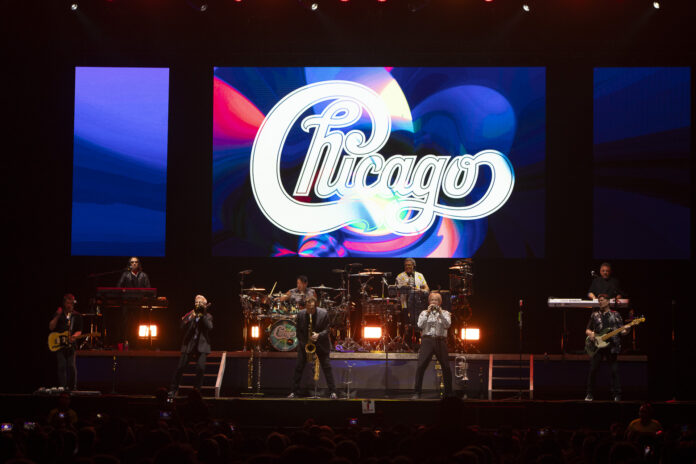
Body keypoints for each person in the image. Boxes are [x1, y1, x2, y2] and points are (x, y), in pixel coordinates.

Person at [288, 296, 337, 399]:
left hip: (321, 344)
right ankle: (293, 392)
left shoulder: (323, 313)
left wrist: (318, 335)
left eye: (312, 308)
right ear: (305, 306)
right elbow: (298, 332)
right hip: (306, 344)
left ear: (316, 306)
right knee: (298, 367)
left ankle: (333, 392)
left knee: (327, 368)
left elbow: (327, 330)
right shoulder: (301, 314)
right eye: (308, 308)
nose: (310, 310)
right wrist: (305, 342)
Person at [585, 294, 628, 402]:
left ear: (608, 301)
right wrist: (591, 334)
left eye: (602, 300)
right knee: (593, 370)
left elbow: (622, 331)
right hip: (598, 346)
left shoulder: (616, 315)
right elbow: (587, 329)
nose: (600, 302)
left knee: (614, 370)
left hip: (612, 346)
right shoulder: (595, 315)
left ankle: (617, 394)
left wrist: (627, 330)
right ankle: (589, 393)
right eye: (599, 301)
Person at [169, 295, 213, 397]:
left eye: (200, 303)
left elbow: (209, 327)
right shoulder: (190, 314)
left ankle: (196, 392)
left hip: (201, 346)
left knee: (200, 369)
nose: (198, 304)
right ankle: (172, 390)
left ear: (204, 305)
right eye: (196, 303)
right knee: (180, 368)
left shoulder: (208, 316)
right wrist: (191, 317)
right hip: (188, 345)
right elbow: (181, 325)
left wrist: (202, 316)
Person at [412, 292, 452, 399]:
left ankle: (449, 393)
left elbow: (447, 325)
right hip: (427, 340)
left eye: (436, 300)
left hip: (440, 340)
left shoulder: (445, 313)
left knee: (446, 367)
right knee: (421, 366)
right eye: (432, 300)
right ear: (429, 302)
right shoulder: (424, 312)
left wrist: (440, 313)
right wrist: (428, 313)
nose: (434, 302)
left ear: (440, 302)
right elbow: (420, 325)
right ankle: (417, 392)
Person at [112, 257, 151, 349]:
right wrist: (123, 291)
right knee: (125, 323)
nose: (134, 264)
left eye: (136, 262)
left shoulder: (143, 275)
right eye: (132, 262)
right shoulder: (125, 274)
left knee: (137, 323)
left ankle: (135, 344)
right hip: (126, 302)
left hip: (138, 303)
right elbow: (118, 287)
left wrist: (142, 294)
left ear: (139, 264)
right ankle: (124, 343)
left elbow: (149, 289)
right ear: (129, 264)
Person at [48, 294, 83, 390]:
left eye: (71, 303)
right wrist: (57, 316)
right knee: (61, 366)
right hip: (60, 344)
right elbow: (51, 327)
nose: (69, 305)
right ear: (64, 303)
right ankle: (62, 387)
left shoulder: (77, 316)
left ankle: (72, 387)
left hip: (71, 345)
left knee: (71, 366)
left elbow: (79, 331)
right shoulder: (59, 314)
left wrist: (74, 336)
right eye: (67, 303)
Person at [396, 258, 429, 343]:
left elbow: (427, 288)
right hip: (405, 304)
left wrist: (419, 290)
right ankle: (406, 342)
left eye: (409, 265)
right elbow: (398, 290)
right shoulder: (400, 276)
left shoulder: (419, 275)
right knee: (408, 324)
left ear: (414, 266)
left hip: (418, 305)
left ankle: (418, 341)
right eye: (406, 265)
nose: (407, 266)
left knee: (418, 324)